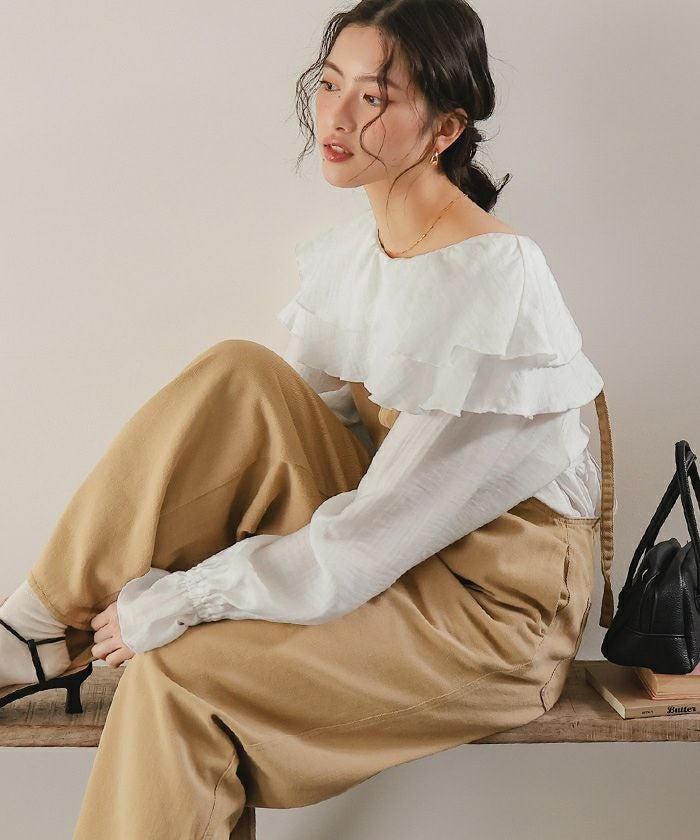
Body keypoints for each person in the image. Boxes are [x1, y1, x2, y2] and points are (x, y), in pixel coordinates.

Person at [0, 2, 616, 838]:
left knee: (178, 676)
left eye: (375, 97)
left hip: (492, 617)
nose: (338, 115)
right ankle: (35, 626)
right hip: (400, 548)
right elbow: (271, 447)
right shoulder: (358, 257)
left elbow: (365, 544)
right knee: (241, 376)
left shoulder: (495, 284)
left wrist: (186, 598)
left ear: (445, 129)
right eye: (330, 84)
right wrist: (187, 590)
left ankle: (50, 641)